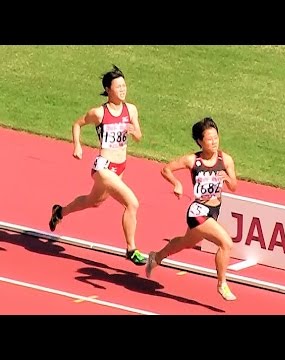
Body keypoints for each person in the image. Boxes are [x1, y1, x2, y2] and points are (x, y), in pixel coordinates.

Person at [48, 65, 147, 266]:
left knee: (92, 202)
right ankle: (131, 248)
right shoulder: (99, 113)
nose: (122, 90)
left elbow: (138, 136)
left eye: (124, 86)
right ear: (108, 89)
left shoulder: (131, 109)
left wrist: (133, 131)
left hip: (120, 168)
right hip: (103, 167)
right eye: (118, 87)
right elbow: (77, 124)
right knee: (132, 203)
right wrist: (77, 145)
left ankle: (59, 212)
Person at [145, 117, 238, 301]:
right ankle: (222, 284)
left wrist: (227, 179)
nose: (214, 142)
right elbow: (166, 169)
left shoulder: (225, 159)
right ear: (199, 142)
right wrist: (177, 184)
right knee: (226, 243)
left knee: (185, 243)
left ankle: (156, 257)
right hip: (197, 211)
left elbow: (234, 186)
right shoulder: (192, 160)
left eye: (216, 138)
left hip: (214, 211)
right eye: (209, 139)